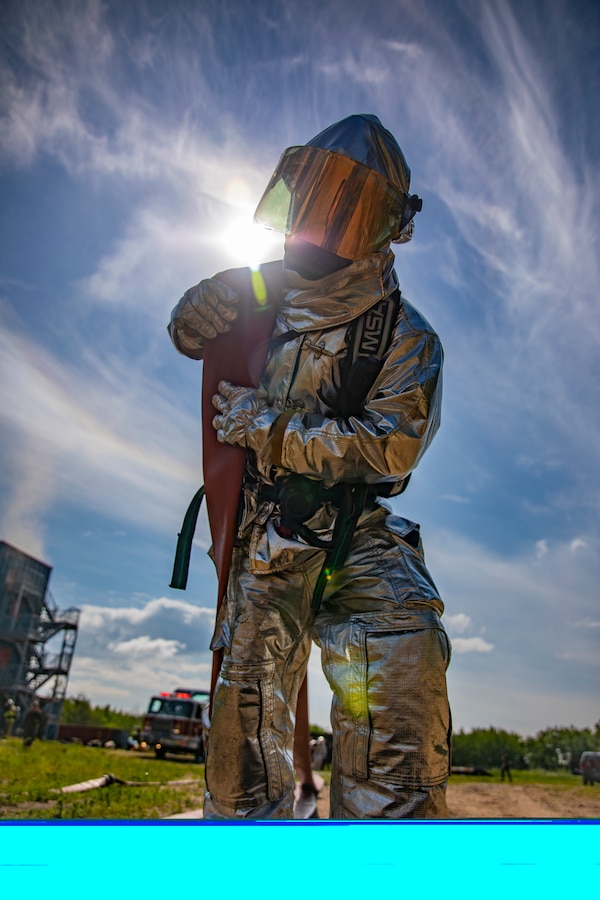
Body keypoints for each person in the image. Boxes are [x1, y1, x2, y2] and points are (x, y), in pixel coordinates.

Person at [168, 113, 451, 819]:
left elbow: (390, 445)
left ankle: (385, 853)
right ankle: (250, 848)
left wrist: (265, 426)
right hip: (270, 534)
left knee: (405, 645)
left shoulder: (407, 337)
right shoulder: (257, 293)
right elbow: (201, 335)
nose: (321, 225)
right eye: (317, 199)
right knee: (246, 697)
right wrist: (193, 316)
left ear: (389, 229)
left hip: (358, 530)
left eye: (348, 210)